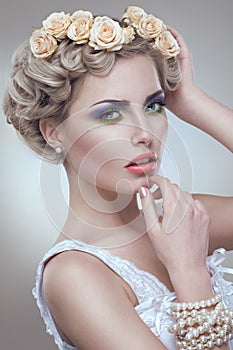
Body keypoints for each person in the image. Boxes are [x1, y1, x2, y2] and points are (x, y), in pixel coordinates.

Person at [3, 5, 233, 350]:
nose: (144, 133)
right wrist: (189, 273)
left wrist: (192, 101)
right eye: (110, 114)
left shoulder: (184, 221)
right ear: (54, 132)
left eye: (153, 106)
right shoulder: (74, 276)